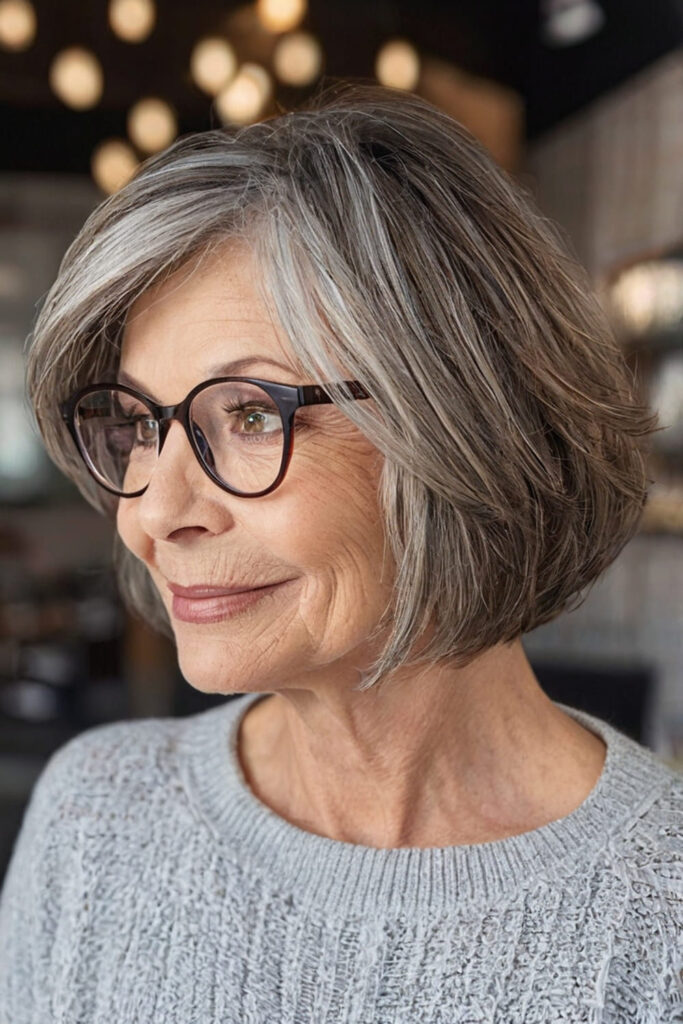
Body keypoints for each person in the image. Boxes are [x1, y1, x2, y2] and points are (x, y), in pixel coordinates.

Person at [1, 81, 681, 1023]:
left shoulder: (661, 918)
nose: (155, 513)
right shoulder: (96, 818)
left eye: (247, 414)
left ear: (464, 421)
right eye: (136, 425)